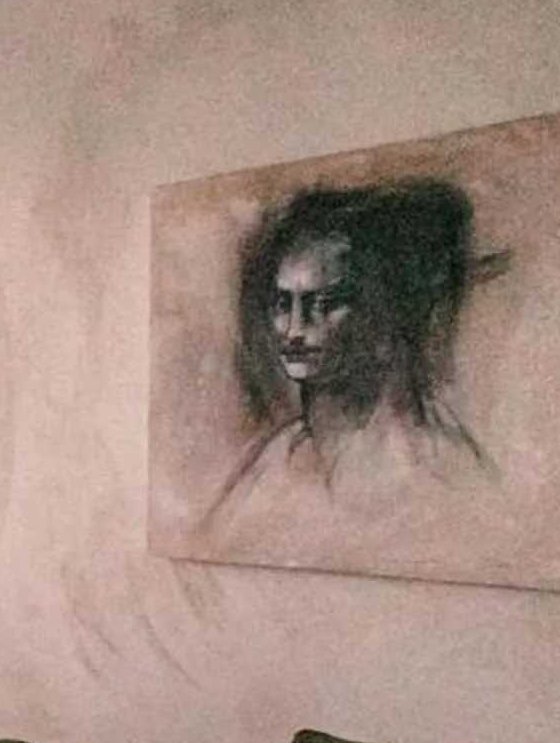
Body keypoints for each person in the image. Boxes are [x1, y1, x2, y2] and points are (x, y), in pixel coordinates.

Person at [205, 178, 493, 526]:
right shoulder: (277, 461)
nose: (296, 329)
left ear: (380, 311)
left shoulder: (433, 467)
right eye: (284, 303)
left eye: (326, 303)